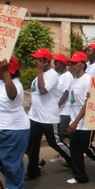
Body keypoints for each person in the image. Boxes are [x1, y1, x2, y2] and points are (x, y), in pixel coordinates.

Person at [0, 57, 30, 189]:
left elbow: (12, 95)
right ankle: (14, 182)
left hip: (12, 129)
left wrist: (6, 74)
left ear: (8, 70)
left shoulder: (15, 85)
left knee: (11, 161)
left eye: (0, 67)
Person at [26, 48, 72, 180]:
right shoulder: (40, 75)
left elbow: (43, 90)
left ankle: (74, 159)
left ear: (45, 61)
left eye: (38, 59)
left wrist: (39, 72)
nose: (36, 61)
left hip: (48, 117)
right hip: (35, 117)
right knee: (32, 145)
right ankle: (33, 171)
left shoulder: (52, 75)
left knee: (55, 143)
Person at [66, 51, 95, 184]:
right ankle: (80, 176)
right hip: (75, 122)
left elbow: (88, 102)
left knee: (87, 148)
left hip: (85, 122)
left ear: (82, 64)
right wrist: (72, 121)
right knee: (75, 150)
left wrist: (76, 121)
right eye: (71, 63)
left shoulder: (88, 80)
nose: (72, 65)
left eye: (75, 63)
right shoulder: (74, 81)